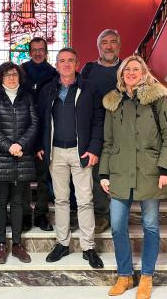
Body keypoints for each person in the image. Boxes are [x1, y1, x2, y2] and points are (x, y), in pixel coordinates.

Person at [99, 55, 167, 299]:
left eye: (136, 69)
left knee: (150, 225)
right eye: (127, 70)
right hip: (120, 172)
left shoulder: (157, 99)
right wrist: (104, 172)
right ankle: (124, 275)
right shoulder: (113, 102)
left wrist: (166, 169)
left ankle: (147, 276)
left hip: (150, 172)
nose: (131, 73)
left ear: (144, 73)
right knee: (116, 225)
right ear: (121, 74)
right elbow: (108, 141)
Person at [36, 47, 105, 269]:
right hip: (56, 153)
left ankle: (88, 246)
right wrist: (40, 145)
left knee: (85, 200)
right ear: (56, 65)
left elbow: (99, 121)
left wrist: (94, 148)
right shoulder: (47, 89)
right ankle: (62, 243)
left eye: (70, 61)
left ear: (77, 64)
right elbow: (39, 119)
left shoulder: (89, 88)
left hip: (80, 152)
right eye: (62, 61)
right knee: (61, 199)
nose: (66, 64)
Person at [0, 62, 38, 264]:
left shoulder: (27, 96)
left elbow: (34, 123)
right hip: (1, 157)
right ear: (1, 78)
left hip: (22, 156)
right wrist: (8, 146)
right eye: (7, 75)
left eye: (14, 74)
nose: (12, 78)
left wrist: (20, 144)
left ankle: (16, 244)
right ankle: (0, 245)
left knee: (17, 202)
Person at [80, 29, 123, 233]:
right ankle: (101, 215)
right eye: (104, 42)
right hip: (96, 131)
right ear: (99, 47)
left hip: (122, 131)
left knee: (120, 173)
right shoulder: (89, 70)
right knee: (97, 174)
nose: (108, 46)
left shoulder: (127, 69)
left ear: (119, 45)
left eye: (113, 42)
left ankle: (119, 214)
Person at [20, 37, 57, 232]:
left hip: (44, 132)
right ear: (29, 51)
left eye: (41, 49)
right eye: (33, 50)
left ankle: (41, 215)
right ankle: (25, 215)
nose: (37, 53)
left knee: (43, 177)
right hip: (23, 132)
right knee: (24, 177)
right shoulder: (20, 72)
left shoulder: (53, 74)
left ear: (46, 51)